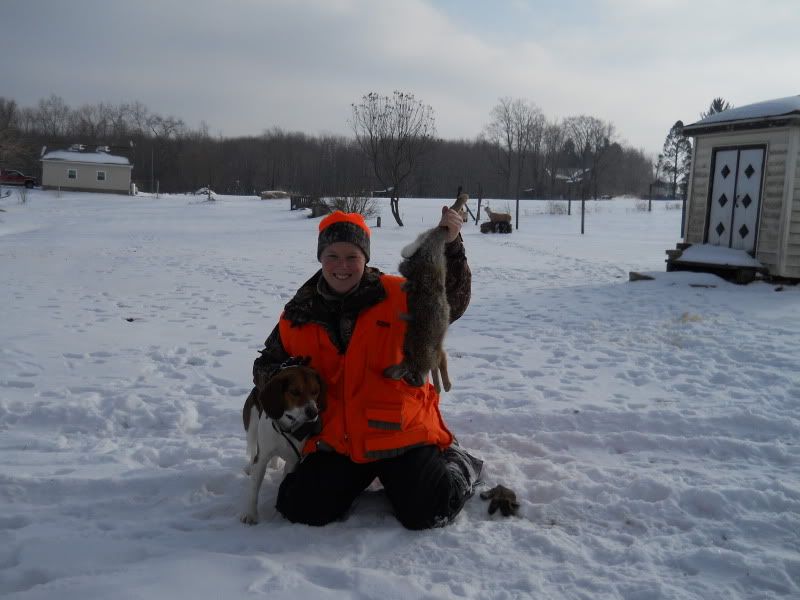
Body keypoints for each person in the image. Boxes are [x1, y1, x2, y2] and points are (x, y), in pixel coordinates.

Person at [249, 204, 483, 529]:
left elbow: (451, 301)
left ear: (365, 259)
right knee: (299, 508)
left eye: (352, 257)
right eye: (333, 256)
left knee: (430, 510)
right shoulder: (298, 314)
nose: (341, 266)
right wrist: (279, 377)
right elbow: (265, 365)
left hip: (402, 435)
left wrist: (453, 245)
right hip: (339, 440)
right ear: (320, 258)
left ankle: (459, 462)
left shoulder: (399, 296)